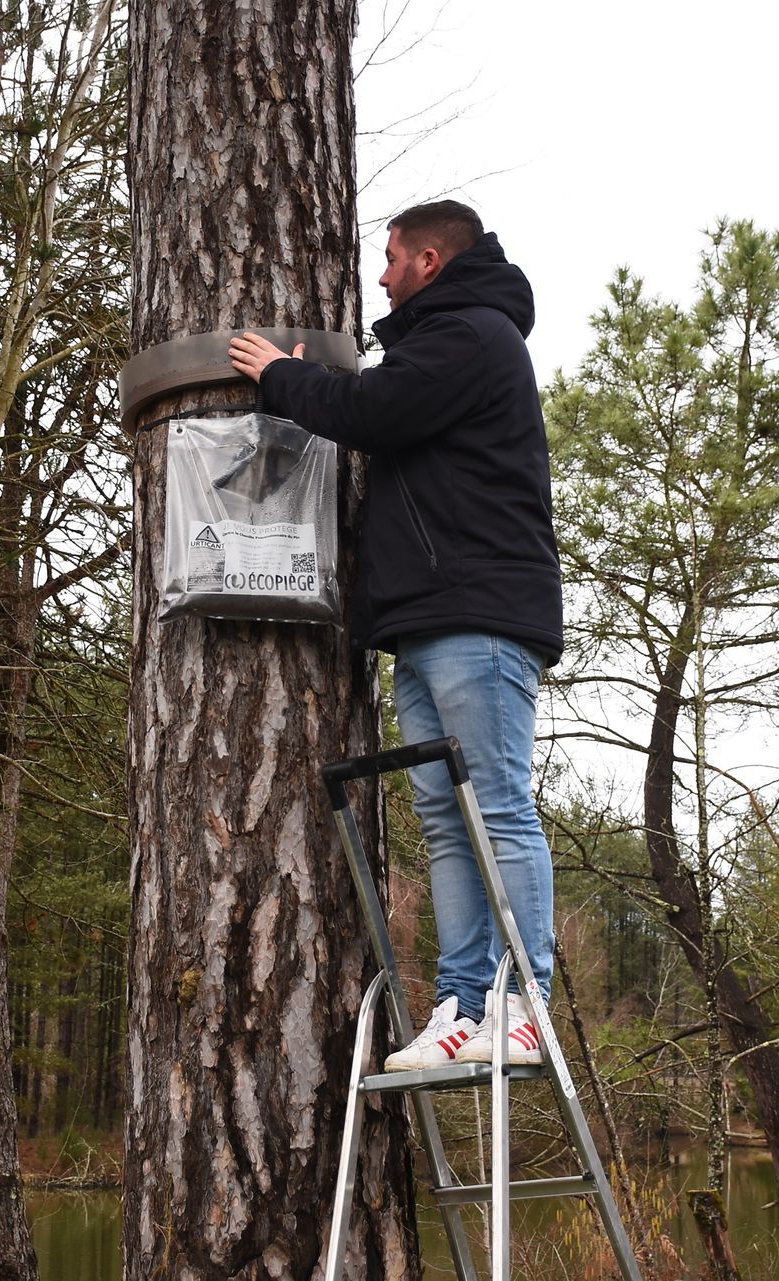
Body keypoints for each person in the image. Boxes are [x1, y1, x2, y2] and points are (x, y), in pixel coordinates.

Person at [227, 200, 561, 1070]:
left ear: (429, 261)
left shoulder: (473, 334)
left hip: (478, 615)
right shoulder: (446, 340)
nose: (380, 276)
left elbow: (373, 409)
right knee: (446, 821)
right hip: (424, 622)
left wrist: (282, 377)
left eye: (391, 258)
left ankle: (524, 1005)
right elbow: (383, 408)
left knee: (496, 807)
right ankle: (462, 1003)